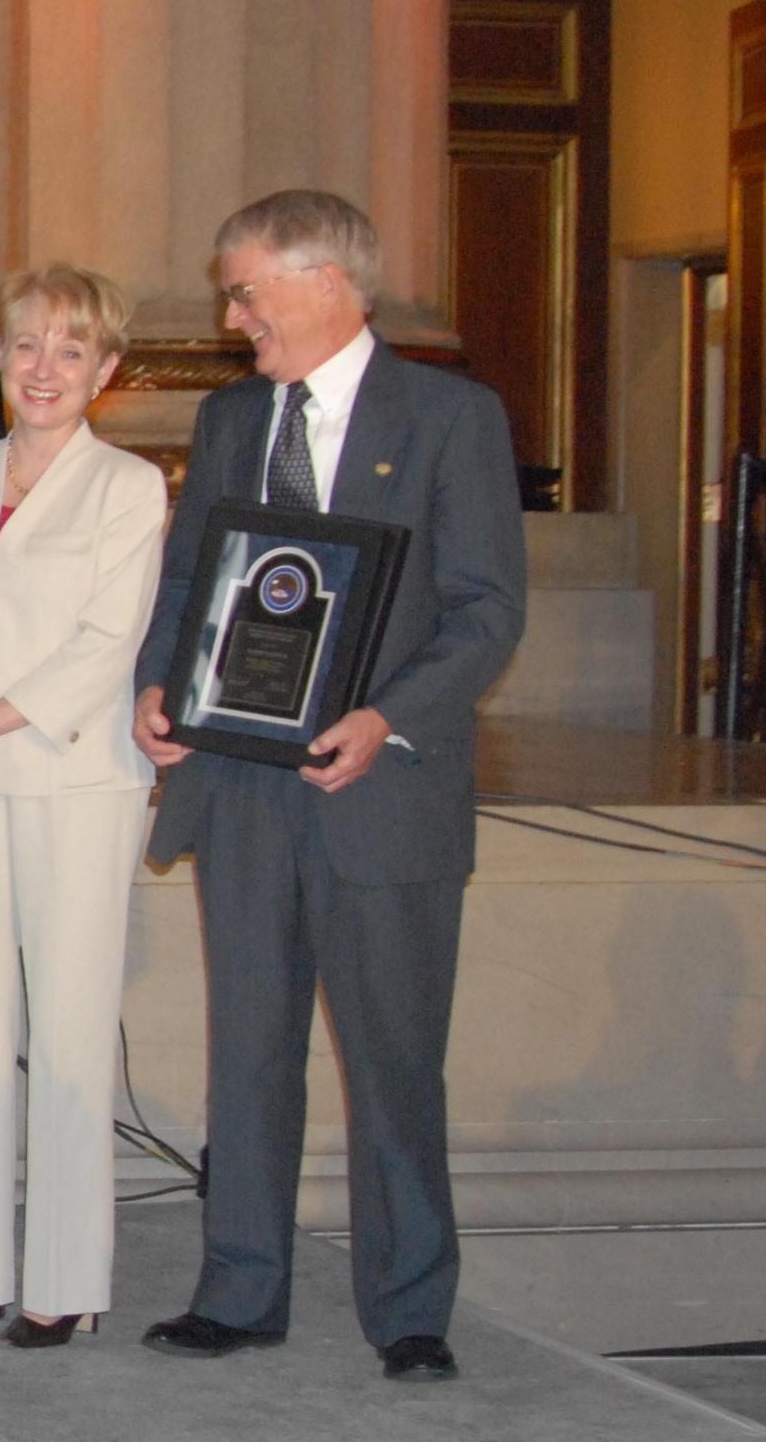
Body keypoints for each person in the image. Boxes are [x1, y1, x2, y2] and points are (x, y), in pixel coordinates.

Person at [134, 189, 528, 1382]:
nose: (231, 312)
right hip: (245, 785)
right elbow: (188, 576)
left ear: (324, 282)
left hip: (381, 789)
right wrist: (160, 695)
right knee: (246, 1051)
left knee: (392, 1057)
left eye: (247, 288)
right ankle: (239, 1287)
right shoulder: (227, 419)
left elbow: (483, 613)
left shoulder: (451, 417)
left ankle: (409, 1308)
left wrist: (383, 718)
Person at [0, 265, 168, 1347]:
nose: (42, 369)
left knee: (62, 1034)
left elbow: (104, 647)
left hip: (71, 779)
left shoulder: (128, 487)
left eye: (69, 350)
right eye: (23, 346)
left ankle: (63, 1281)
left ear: (103, 370)